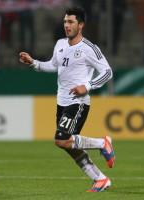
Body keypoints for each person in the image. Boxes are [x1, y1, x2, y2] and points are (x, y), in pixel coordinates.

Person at [19, 7, 115, 192]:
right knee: (69, 145)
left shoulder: (89, 48)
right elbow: (53, 65)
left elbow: (107, 72)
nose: (66, 25)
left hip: (78, 102)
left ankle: (103, 143)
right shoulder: (60, 44)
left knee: (61, 139)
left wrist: (86, 87)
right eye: (65, 22)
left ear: (81, 25)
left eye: (70, 22)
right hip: (61, 102)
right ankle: (100, 179)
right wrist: (34, 63)